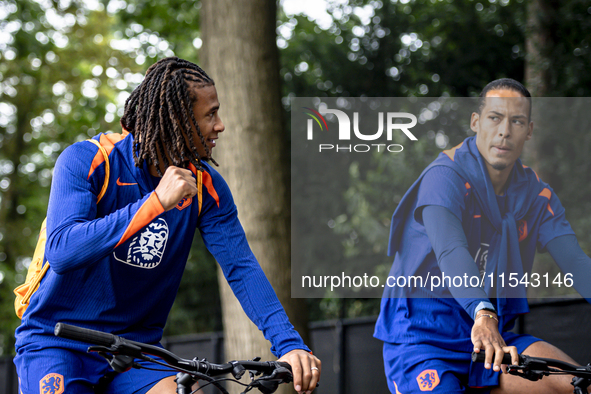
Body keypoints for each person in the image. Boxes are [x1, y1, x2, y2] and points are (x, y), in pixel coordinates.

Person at [14, 57, 320, 394]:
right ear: (178, 119)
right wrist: (155, 203)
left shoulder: (206, 187)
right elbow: (63, 250)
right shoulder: (87, 160)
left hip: (133, 352)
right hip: (58, 342)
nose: (220, 125)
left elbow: (241, 266)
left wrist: (289, 343)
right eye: (210, 114)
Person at [374, 78, 591, 393]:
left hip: (492, 341)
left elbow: (576, 263)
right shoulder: (444, 176)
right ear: (476, 122)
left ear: (528, 131)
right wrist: (483, 310)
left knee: (575, 386)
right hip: (423, 339)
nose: (505, 131)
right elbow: (451, 250)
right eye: (495, 118)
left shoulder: (537, 194)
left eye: (516, 121)